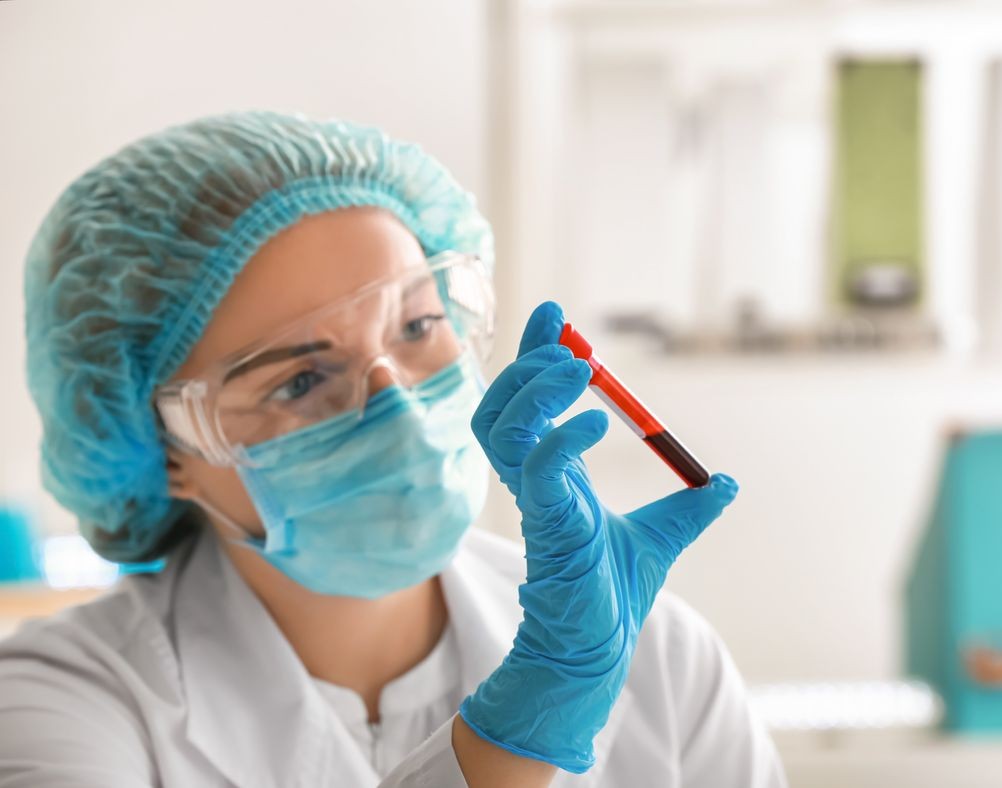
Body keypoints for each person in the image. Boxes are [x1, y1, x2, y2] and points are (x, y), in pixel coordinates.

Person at [0, 112, 787, 787]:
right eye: (302, 379)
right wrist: (526, 727)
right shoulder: (62, 700)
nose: (401, 409)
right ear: (160, 447)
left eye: (418, 327)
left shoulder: (657, 657)